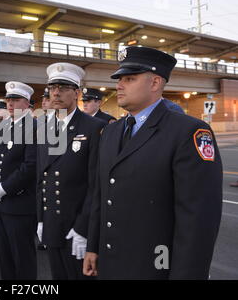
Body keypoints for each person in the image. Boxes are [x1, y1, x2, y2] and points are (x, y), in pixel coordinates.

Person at [83, 46, 223, 280]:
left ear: (155, 83)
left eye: (130, 78)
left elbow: (198, 219)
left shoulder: (188, 132)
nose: (119, 85)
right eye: (119, 79)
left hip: (154, 268)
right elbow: (102, 195)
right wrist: (93, 246)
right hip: (110, 265)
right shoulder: (111, 131)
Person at [36, 62, 106, 280]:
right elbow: (41, 177)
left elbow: (96, 184)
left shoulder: (93, 127)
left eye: (64, 87)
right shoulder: (44, 127)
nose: (56, 92)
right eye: (53, 87)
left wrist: (84, 228)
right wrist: (40, 218)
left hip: (77, 226)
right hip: (52, 222)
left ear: (76, 93)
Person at [0, 81, 38, 280]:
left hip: (19, 203)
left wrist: (5, 187)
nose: (10, 104)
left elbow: (30, 166)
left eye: (16, 100)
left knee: (22, 256)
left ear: (27, 103)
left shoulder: (35, 127)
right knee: (4, 255)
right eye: (8, 100)